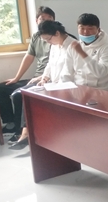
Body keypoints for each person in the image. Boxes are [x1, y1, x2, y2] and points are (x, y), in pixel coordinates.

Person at [10, 21, 77, 150]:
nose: (48, 42)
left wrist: (54, 86)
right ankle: (24, 132)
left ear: (57, 33)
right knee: (22, 94)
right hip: (52, 84)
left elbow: (70, 73)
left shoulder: (73, 46)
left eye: (48, 39)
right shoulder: (55, 45)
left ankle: (27, 134)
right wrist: (45, 77)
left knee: (32, 96)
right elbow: (50, 64)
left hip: (66, 86)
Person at [0, 6, 54, 142]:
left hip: (46, 79)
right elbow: (29, 57)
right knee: (0, 88)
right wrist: (16, 78)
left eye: (49, 19)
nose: (45, 22)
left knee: (18, 95)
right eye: (42, 19)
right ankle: (10, 124)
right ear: (36, 21)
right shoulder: (36, 36)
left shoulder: (56, 37)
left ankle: (20, 131)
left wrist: (43, 77)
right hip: (35, 78)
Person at [62, 13, 108, 91]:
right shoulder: (73, 46)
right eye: (82, 28)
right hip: (78, 89)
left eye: (90, 29)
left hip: (100, 91)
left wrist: (82, 53)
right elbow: (67, 72)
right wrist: (65, 90)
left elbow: (100, 72)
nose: (85, 32)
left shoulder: (107, 48)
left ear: (98, 30)